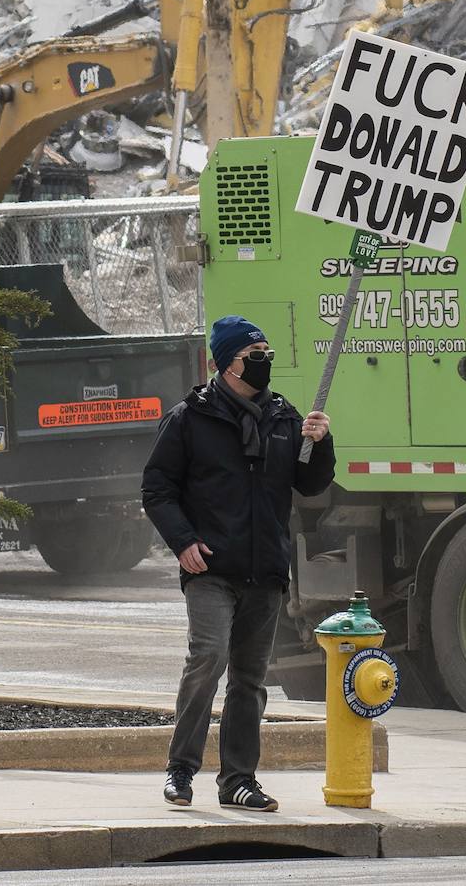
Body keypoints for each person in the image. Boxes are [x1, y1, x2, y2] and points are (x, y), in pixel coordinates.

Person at [142, 314, 334, 812]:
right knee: (208, 658)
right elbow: (157, 488)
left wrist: (319, 442)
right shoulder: (191, 418)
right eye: (255, 356)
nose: (264, 362)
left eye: (267, 354)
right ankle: (180, 770)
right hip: (209, 568)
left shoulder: (285, 417)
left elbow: (310, 484)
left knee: (250, 679)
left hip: (265, 571)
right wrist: (182, 542)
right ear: (227, 364)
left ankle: (238, 781)